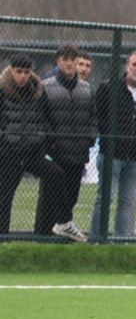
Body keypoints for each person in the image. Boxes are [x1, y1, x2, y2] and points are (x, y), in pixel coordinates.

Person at [90, 50, 136, 237]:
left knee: (127, 202)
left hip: (135, 159)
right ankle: (96, 238)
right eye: (135, 64)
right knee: (105, 198)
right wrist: (110, 137)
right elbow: (97, 116)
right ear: (127, 66)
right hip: (111, 155)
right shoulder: (109, 88)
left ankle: (120, 240)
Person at [0, 55, 64, 237]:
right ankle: (3, 238)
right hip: (8, 154)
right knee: (4, 197)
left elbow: (45, 118)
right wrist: (4, 139)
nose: (22, 76)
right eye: (19, 72)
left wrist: (42, 138)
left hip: (32, 153)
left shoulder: (37, 91)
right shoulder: (2, 90)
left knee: (56, 174)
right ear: (11, 70)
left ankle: (58, 224)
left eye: (26, 72)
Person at [38, 44, 95, 241]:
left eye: (73, 59)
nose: (70, 63)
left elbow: (93, 117)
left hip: (79, 153)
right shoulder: (46, 86)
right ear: (58, 61)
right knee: (49, 199)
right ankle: (43, 237)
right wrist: (52, 141)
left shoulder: (86, 88)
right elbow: (42, 117)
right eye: (65, 59)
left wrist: (90, 138)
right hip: (56, 153)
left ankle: (62, 238)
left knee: (71, 197)